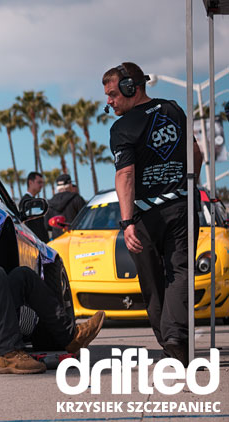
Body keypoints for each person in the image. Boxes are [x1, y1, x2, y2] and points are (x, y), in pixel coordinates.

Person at [103, 62, 203, 365]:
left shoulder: (122, 127)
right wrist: (190, 188)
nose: (109, 101)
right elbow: (196, 154)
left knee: (152, 280)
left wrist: (127, 223)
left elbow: (126, 176)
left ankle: (170, 340)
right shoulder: (173, 110)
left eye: (112, 94)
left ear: (130, 88)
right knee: (180, 271)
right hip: (181, 206)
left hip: (146, 216)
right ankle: (175, 340)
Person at [46, 174, 86, 239]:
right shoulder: (77, 199)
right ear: (69, 184)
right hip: (75, 239)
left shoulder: (50, 203)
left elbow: (47, 225)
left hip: (57, 241)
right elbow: (85, 219)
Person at [18, 172, 49, 242]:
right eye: (39, 182)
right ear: (30, 182)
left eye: (42, 183)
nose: (41, 185)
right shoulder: (26, 201)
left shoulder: (32, 200)